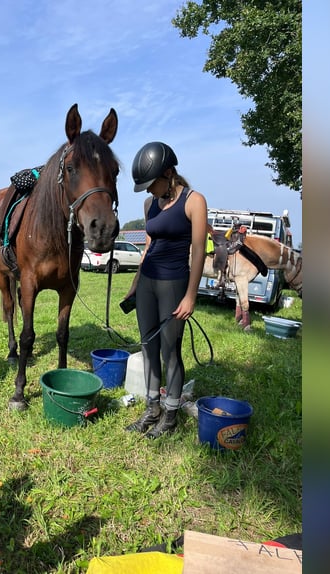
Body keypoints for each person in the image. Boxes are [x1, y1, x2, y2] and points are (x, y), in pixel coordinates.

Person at [123, 141, 208, 438]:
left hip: (174, 283)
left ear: (169, 173)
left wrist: (190, 295)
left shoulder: (194, 200)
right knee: (148, 347)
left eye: (151, 184)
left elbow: (198, 251)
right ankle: (152, 408)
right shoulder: (150, 205)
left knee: (170, 350)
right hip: (148, 281)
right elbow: (148, 247)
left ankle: (170, 415)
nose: (148, 191)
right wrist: (134, 286)